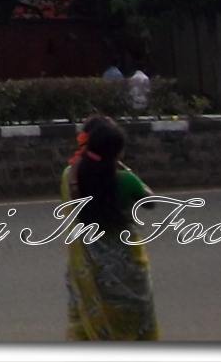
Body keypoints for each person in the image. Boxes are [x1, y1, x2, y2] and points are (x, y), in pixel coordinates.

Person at [63, 114, 159, 341]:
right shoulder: (127, 181)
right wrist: (126, 169)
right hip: (126, 268)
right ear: (118, 151)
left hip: (86, 268)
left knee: (85, 326)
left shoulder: (70, 177)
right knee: (135, 325)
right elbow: (152, 201)